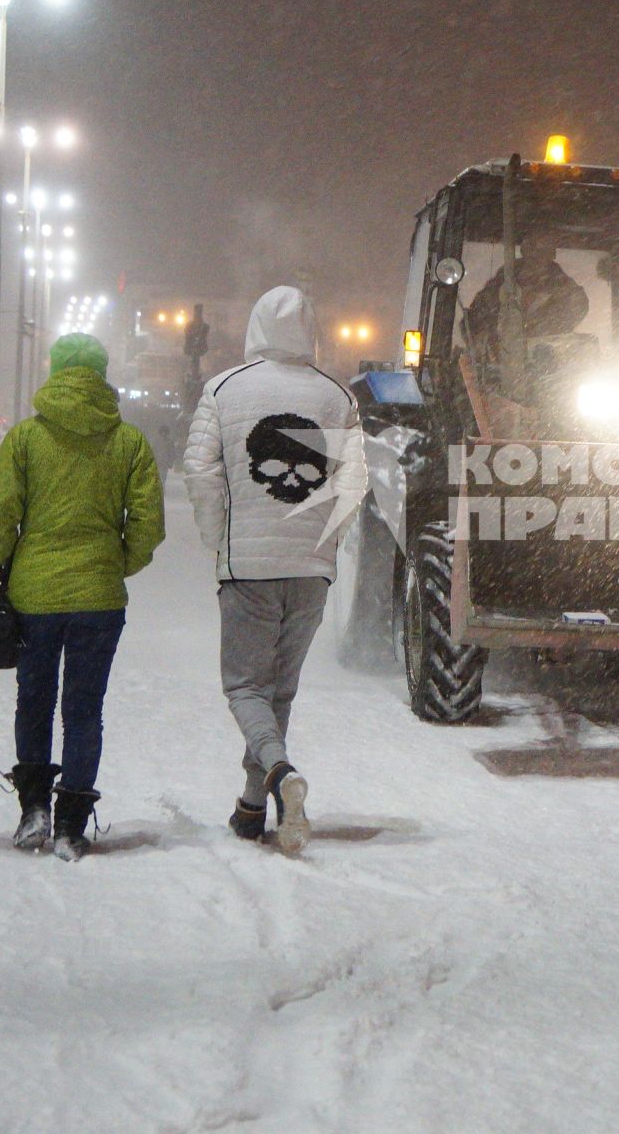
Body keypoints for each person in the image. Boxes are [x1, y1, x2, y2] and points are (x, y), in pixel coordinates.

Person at [183, 285, 367, 854]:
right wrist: (323, 545)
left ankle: (282, 774)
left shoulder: (224, 388)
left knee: (244, 687)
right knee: (278, 691)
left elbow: (201, 473)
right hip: (311, 573)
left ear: (256, 327)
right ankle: (252, 805)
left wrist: (222, 543)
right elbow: (354, 482)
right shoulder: (338, 398)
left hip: (249, 569)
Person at [0, 334, 166, 861]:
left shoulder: (25, 439)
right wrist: (117, 562)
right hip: (100, 600)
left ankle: (33, 808)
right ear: (102, 374)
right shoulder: (128, 442)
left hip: (34, 597)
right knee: (84, 710)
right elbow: (149, 524)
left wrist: (18, 559)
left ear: (55, 371)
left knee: (34, 701)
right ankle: (71, 827)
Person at [464, 236, 590, 354]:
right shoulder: (502, 281)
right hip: (503, 359)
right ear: (524, 251)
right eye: (532, 247)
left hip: (549, 360)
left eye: (543, 250)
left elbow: (576, 309)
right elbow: (473, 320)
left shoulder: (566, 288)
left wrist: (541, 329)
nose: (536, 255)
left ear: (552, 254)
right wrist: (486, 341)